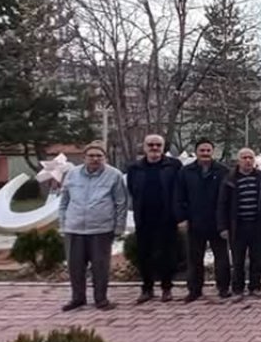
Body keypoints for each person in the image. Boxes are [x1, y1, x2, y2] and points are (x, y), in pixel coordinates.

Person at [59, 142, 128, 312]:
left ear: (105, 158)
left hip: (101, 229)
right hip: (74, 228)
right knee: (75, 267)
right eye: (91, 156)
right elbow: (64, 201)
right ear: (84, 158)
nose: (95, 159)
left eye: (99, 156)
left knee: (100, 267)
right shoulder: (72, 174)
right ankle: (78, 298)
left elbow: (121, 203)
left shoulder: (114, 175)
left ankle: (101, 299)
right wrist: (63, 224)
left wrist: (119, 227)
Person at [125, 134, 182, 303]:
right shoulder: (134, 168)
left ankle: (166, 288)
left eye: (158, 145)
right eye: (150, 144)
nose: (154, 148)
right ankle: (147, 288)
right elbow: (132, 190)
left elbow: (178, 191)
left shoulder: (174, 166)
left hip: (167, 218)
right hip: (144, 218)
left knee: (167, 255)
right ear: (144, 147)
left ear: (163, 147)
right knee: (144, 255)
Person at [177, 138, 229, 302]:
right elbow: (179, 196)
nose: (205, 154)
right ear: (196, 152)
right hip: (195, 222)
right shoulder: (186, 172)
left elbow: (228, 198)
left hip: (217, 223)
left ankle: (223, 288)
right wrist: (182, 218)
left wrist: (226, 222)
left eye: (208, 150)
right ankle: (194, 290)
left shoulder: (223, 171)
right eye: (202, 150)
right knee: (194, 259)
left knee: (221, 258)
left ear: (212, 152)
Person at [219, 148, 261, 299]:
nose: (247, 161)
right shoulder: (229, 180)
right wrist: (223, 227)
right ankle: (238, 289)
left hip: (257, 225)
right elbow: (222, 205)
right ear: (238, 160)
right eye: (244, 158)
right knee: (238, 261)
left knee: (257, 259)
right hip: (237, 226)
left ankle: (255, 287)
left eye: (250, 158)